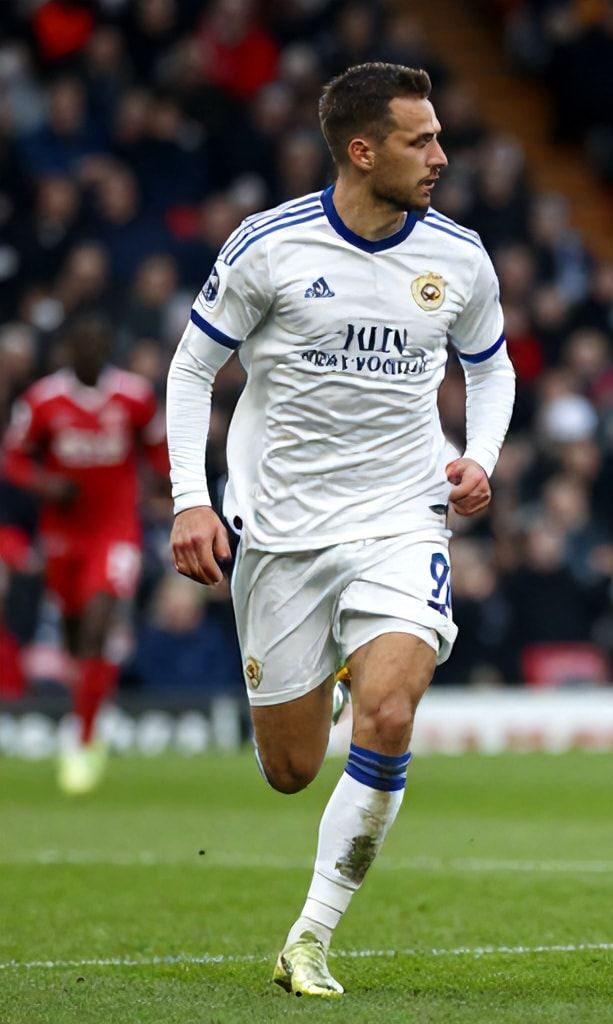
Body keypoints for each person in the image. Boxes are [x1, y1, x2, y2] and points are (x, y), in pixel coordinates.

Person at [164, 62, 515, 998]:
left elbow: (492, 367)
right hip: (280, 532)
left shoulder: (459, 255)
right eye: (420, 140)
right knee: (290, 771)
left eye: (440, 136)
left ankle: (310, 938)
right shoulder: (268, 247)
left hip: (404, 517)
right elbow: (190, 371)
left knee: (391, 712)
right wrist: (189, 500)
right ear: (363, 151)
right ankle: (318, 682)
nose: (442, 154)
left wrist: (480, 454)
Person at [3, 313, 168, 793]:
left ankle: (84, 739)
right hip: (64, 535)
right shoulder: (42, 401)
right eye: (81, 346)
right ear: (67, 352)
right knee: (77, 639)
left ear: (108, 349)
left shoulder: (133, 397)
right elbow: (13, 458)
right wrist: (45, 483)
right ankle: (92, 702)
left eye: (98, 345)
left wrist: (169, 491)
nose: (90, 354)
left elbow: (157, 450)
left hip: (116, 531)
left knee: (97, 625)